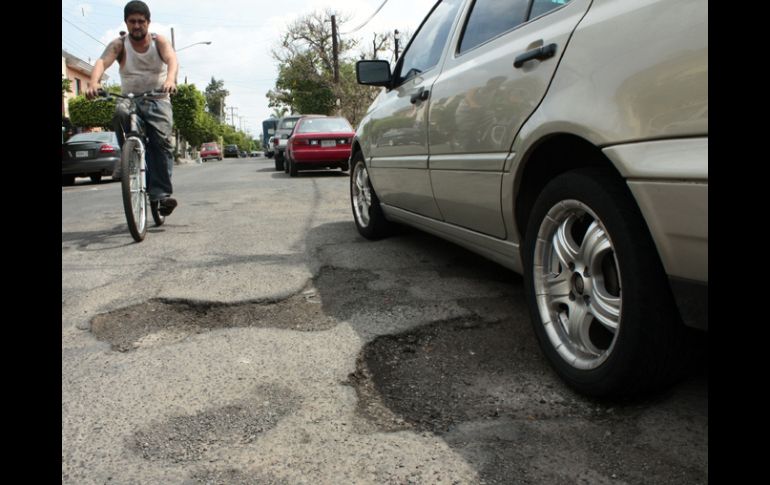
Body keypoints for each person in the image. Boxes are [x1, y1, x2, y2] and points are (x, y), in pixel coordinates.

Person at [86, 1, 179, 216]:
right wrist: (93, 83)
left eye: (140, 21)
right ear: (126, 23)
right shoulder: (119, 44)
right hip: (130, 98)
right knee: (119, 111)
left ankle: (162, 195)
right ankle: (127, 155)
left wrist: (171, 80)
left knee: (161, 143)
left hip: (158, 98)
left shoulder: (159, 42)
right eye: (132, 22)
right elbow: (102, 62)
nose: (136, 26)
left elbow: (172, 59)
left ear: (148, 22)